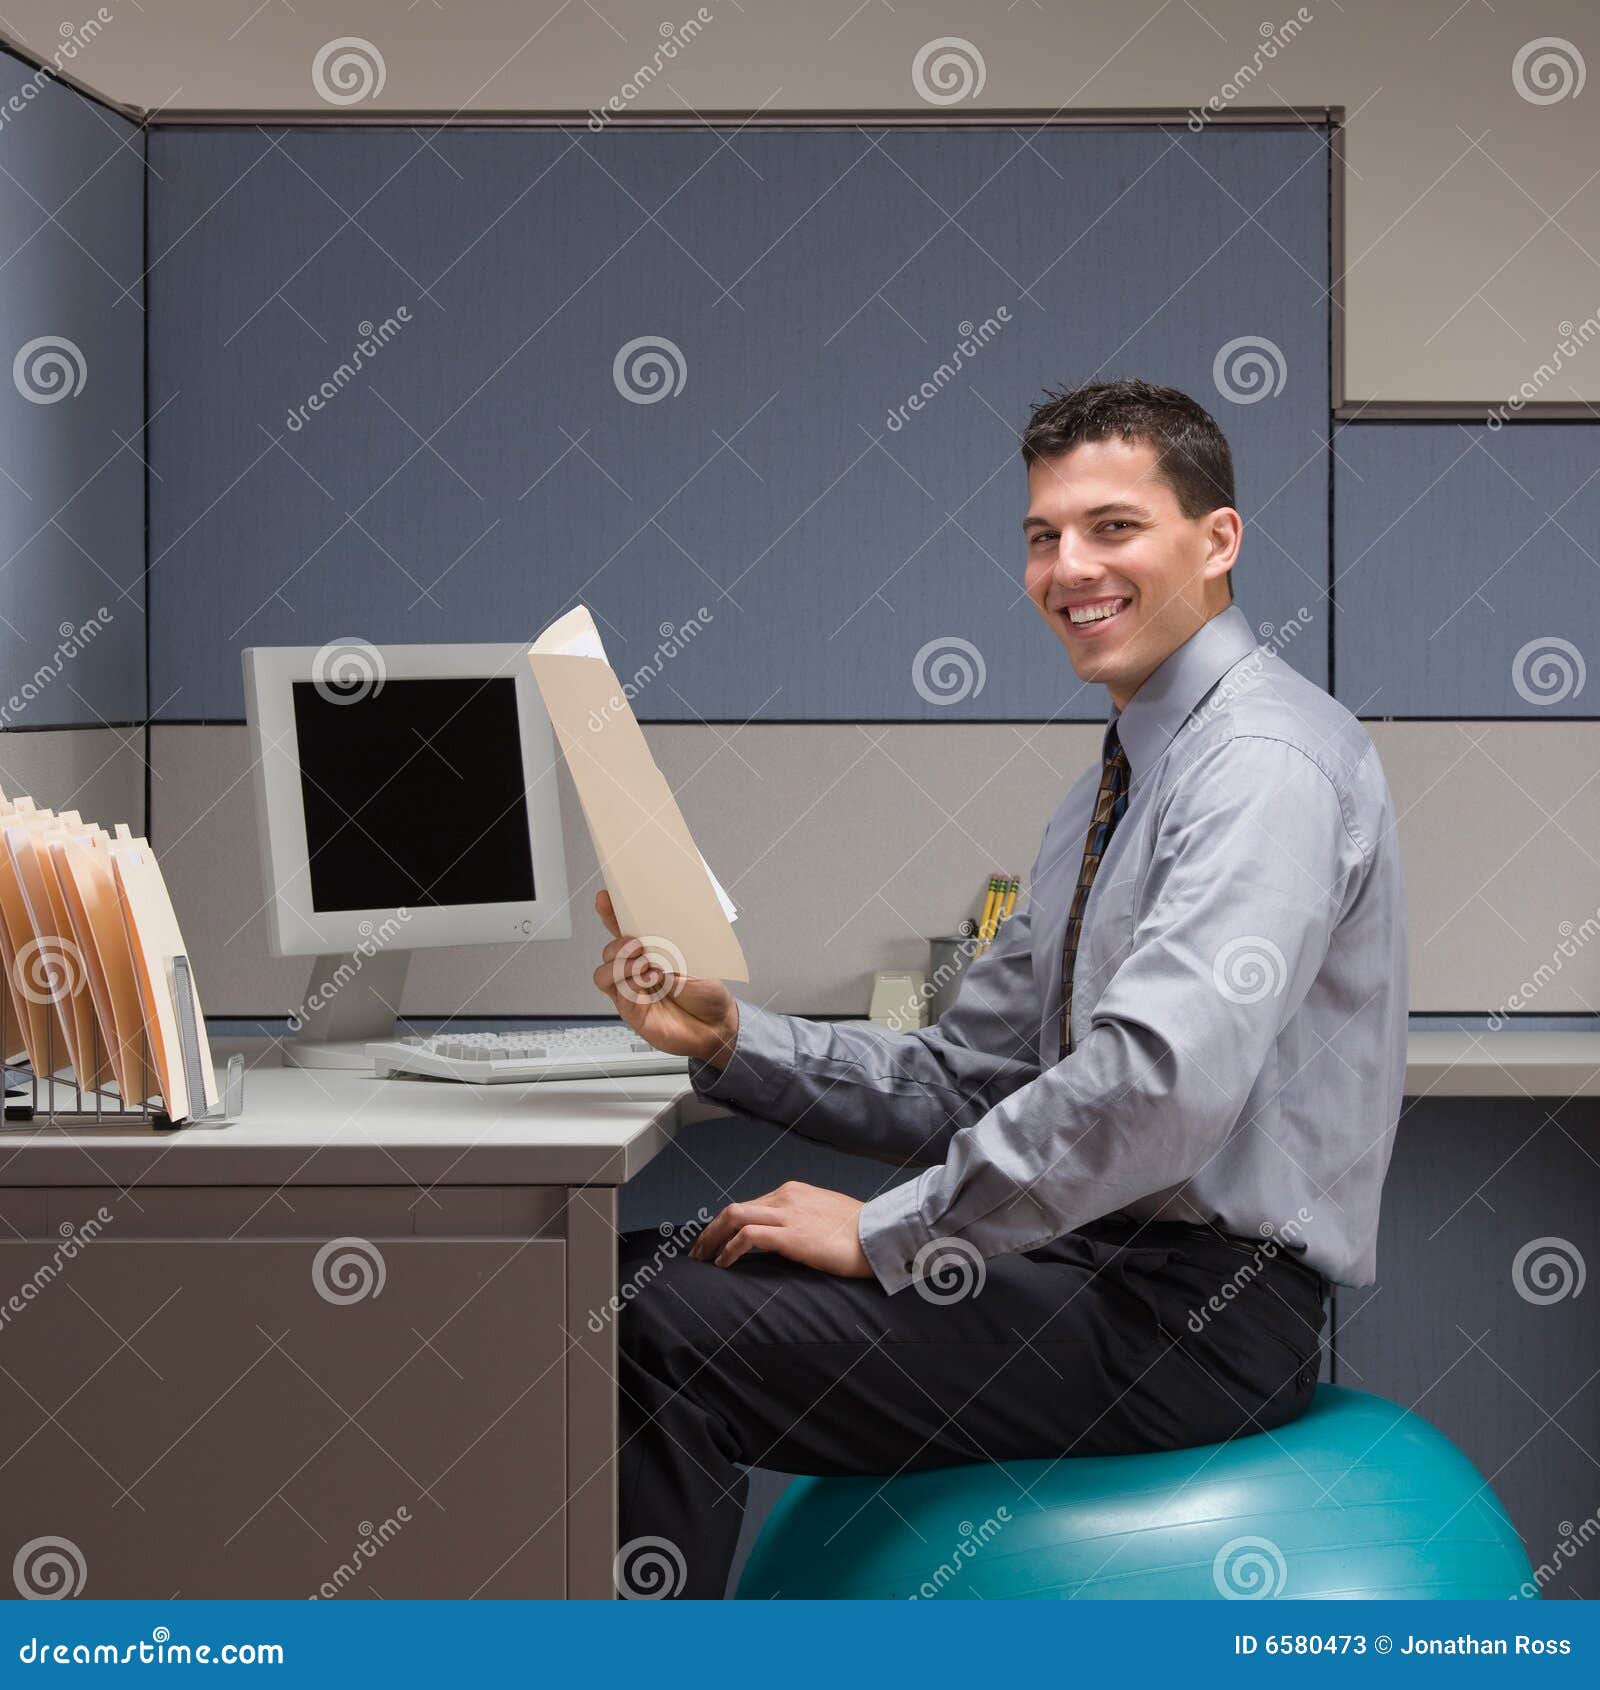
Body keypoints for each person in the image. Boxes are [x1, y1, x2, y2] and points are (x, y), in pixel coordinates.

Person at [591, 378, 1408, 1599]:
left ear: (1217, 539)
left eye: (1113, 527)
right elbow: (966, 1076)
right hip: (1089, 1264)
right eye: (1043, 536)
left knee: (637, 1333)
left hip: (1191, 1319)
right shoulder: (1111, 785)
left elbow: (1156, 1090)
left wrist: (891, 1231)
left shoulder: (1261, 767)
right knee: (601, 1281)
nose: (1069, 566)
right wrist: (731, 1041)